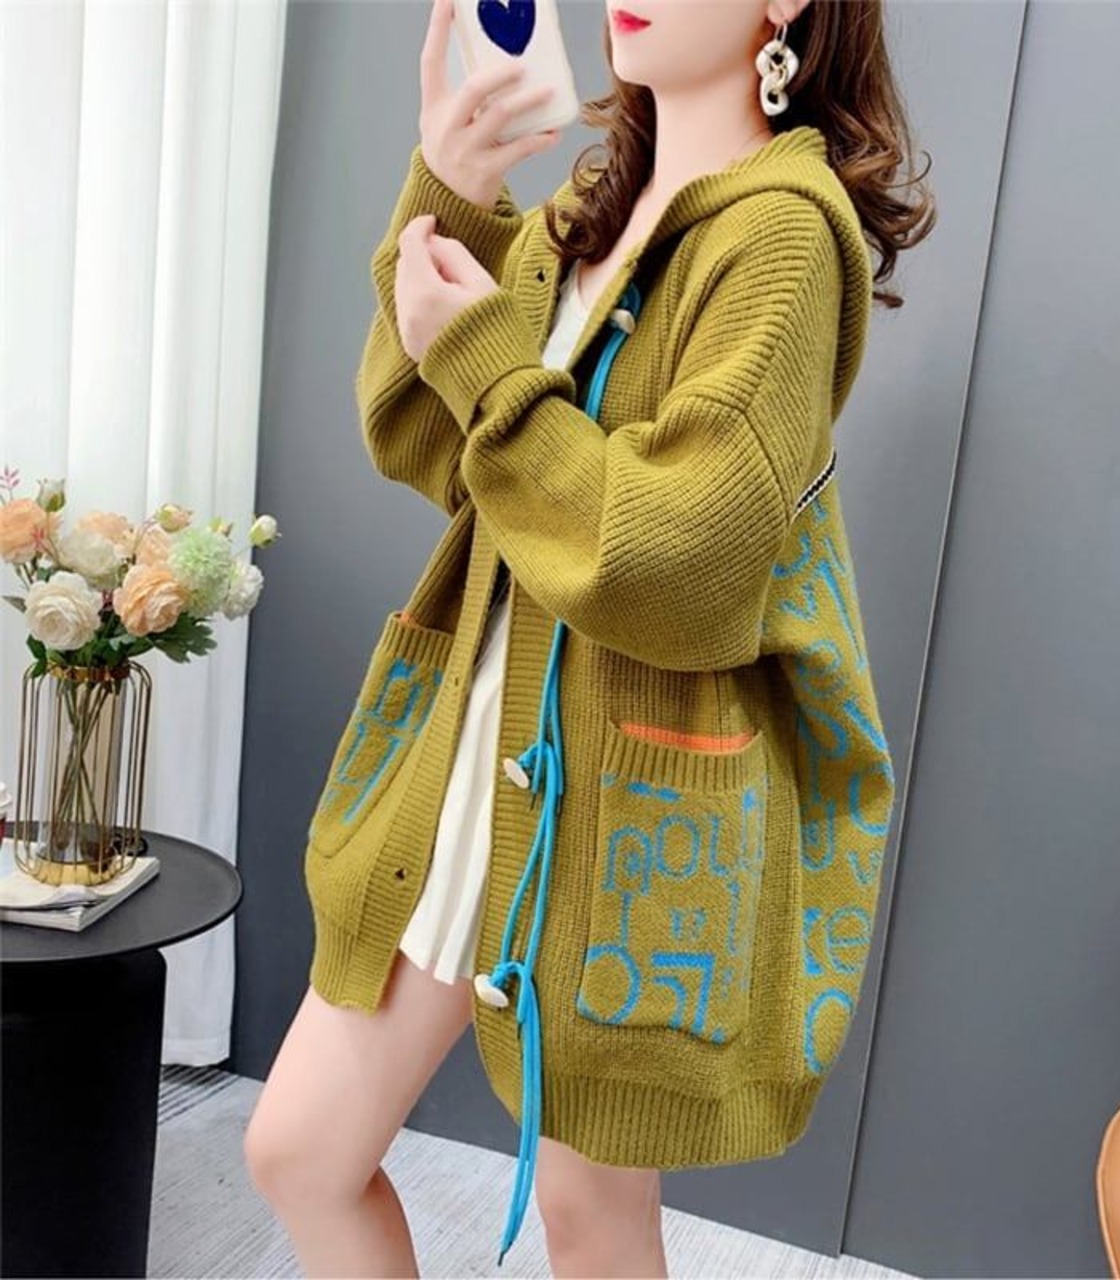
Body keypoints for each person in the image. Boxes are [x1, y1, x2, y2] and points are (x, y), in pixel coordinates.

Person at [246, 0, 934, 1274]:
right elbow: (424, 437)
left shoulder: (783, 238)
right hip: (474, 757)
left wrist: (485, 362)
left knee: (591, 1211)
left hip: (620, 802)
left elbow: (670, 555)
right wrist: (451, 195)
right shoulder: (588, 213)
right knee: (299, 1152)